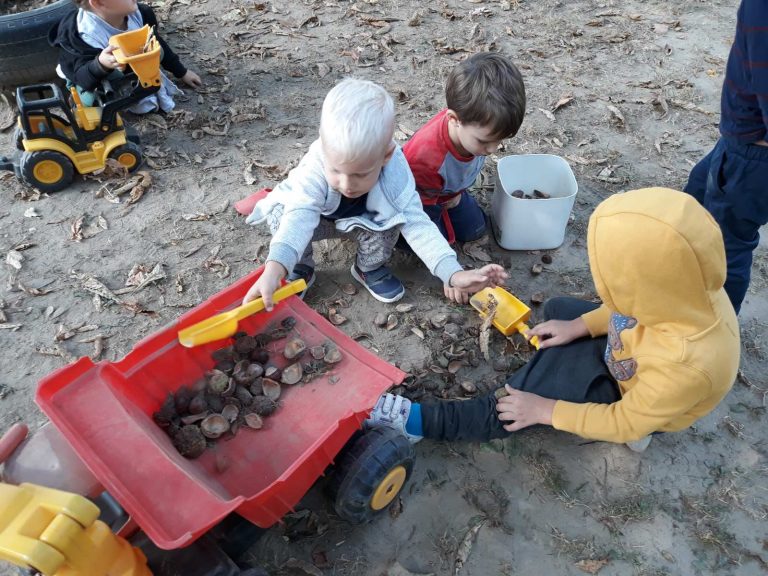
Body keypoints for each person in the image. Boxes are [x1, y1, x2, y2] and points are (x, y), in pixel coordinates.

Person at [366, 188, 740, 452]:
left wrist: (545, 410)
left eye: (617, 282)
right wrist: (579, 327)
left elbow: (625, 419)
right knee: (561, 309)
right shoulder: (685, 286)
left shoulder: (689, 366)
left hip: (624, 391)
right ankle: (562, 358)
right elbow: (629, 309)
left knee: (512, 407)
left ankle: (417, 422)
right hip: (631, 348)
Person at [243, 78, 507, 308]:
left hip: (364, 222)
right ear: (323, 148)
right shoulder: (315, 167)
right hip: (317, 220)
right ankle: (301, 265)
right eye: (336, 170)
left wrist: (454, 274)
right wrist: (275, 267)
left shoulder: (395, 172)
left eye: (360, 174)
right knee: (281, 214)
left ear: (386, 156)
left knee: (394, 223)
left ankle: (368, 267)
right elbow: (299, 216)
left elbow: (416, 222)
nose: (346, 184)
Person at [683, 0, 768, 314]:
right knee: (693, 197)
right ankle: (674, 284)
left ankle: (715, 329)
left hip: (752, 156)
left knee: (725, 248)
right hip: (739, 141)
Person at [403, 52, 526, 244]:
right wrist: (439, 204)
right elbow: (412, 198)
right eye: (484, 142)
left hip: (451, 193)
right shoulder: (425, 160)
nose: (492, 149)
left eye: (500, 140)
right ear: (454, 120)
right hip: (420, 200)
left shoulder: (474, 130)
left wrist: (455, 198)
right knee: (439, 243)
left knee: (474, 230)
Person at [49, 0, 202, 114]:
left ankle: (136, 84)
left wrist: (181, 72)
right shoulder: (83, 37)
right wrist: (100, 64)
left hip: (129, 64)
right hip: (86, 73)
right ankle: (76, 99)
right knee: (91, 102)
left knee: (156, 51)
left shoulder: (139, 14)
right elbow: (81, 77)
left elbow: (157, 42)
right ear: (99, 3)